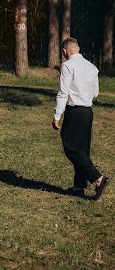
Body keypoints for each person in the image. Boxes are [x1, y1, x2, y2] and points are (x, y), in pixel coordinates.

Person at [52, 37, 109, 200]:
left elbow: (63, 93)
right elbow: (95, 92)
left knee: (70, 146)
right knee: (82, 149)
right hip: (87, 112)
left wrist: (57, 115)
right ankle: (79, 186)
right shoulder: (92, 67)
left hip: (75, 111)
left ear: (64, 51)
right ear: (78, 48)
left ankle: (98, 178)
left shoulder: (67, 66)